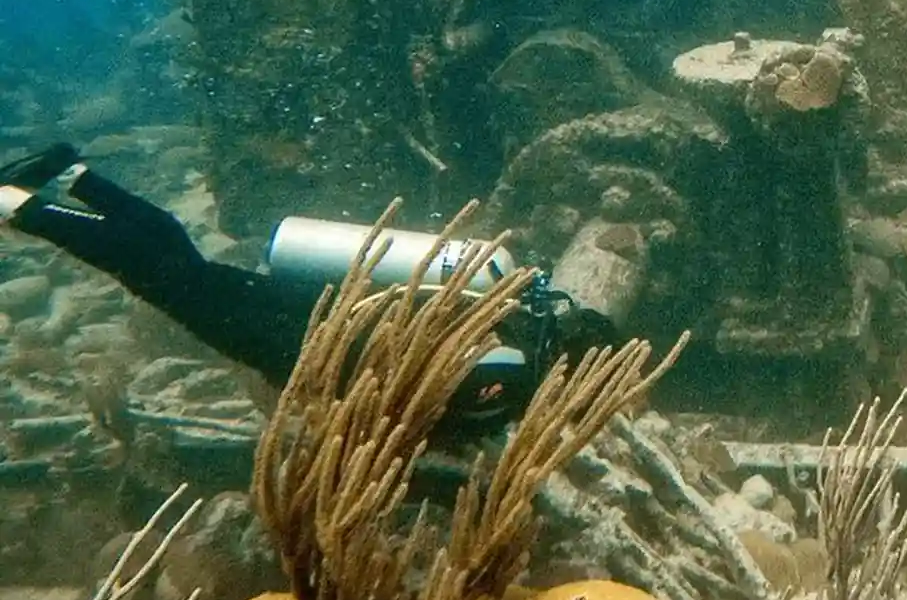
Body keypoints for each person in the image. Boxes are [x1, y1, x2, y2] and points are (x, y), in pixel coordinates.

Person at [0, 144, 592, 420]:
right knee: (164, 277)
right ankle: (24, 209)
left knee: (182, 260)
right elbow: (432, 418)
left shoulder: (519, 322)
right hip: (303, 348)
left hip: (324, 307)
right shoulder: (517, 383)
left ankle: (73, 175)